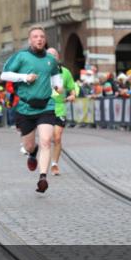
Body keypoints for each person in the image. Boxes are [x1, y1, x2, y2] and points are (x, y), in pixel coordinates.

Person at [0, 27, 63, 193]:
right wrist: (24, 77)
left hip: (46, 106)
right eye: (35, 37)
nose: (39, 39)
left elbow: (56, 77)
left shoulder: (51, 59)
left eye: (42, 36)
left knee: (46, 141)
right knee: (29, 145)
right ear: (30, 40)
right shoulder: (21, 56)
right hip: (26, 107)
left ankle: (43, 177)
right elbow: (4, 75)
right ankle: (32, 153)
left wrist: (58, 87)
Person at [46, 47, 79, 176]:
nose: (52, 57)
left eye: (54, 55)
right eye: (49, 55)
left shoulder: (65, 72)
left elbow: (72, 88)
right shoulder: (42, 72)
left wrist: (73, 95)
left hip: (59, 107)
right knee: (46, 139)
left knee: (57, 137)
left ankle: (54, 164)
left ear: (58, 57)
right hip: (44, 107)